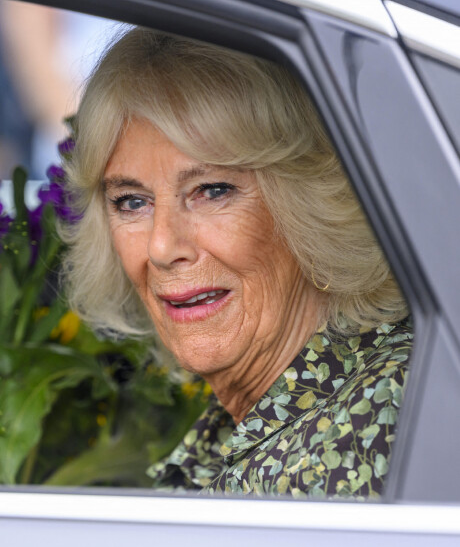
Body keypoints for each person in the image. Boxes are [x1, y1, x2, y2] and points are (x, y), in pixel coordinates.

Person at [60, 28, 412, 499]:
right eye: (131, 201)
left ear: (310, 205)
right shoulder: (260, 419)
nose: (162, 247)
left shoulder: (374, 424)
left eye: (212, 191)